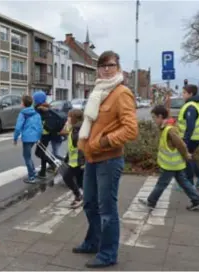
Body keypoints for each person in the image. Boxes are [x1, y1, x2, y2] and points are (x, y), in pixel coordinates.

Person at [74, 51, 138, 268]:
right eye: (102, 66)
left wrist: (104, 142)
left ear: (118, 67)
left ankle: (108, 253)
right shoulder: (98, 91)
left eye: (110, 65)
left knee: (107, 210)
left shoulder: (122, 93)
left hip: (109, 159)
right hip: (92, 158)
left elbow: (131, 130)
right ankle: (93, 242)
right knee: (90, 204)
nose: (106, 69)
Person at [139, 105, 199, 210]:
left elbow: (181, 144)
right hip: (175, 164)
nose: (154, 120)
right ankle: (197, 200)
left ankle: (151, 202)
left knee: (162, 183)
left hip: (171, 164)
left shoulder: (169, 130)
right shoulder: (165, 128)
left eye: (154, 118)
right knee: (183, 182)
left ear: (160, 117)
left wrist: (186, 154)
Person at [177, 84, 199, 190]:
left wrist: (185, 140)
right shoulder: (195, 104)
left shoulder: (191, 107)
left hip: (191, 138)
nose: (182, 95)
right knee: (190, 157)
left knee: (186, 159)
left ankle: (189, 183)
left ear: (190, 94)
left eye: (184, 92)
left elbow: (190, 125)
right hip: (196, 137)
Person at [13, 94, 43, 183]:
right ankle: (33, 172)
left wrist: (15, 138)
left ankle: (32, 177)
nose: (21, 103)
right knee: (28, 156)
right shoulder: (36, 113)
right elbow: (40, 127)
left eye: (21, 102)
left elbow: (18, 127)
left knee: (27, 157)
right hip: (34, 138)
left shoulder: (22, 113)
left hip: (27, 138)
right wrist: (38, 138)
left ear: (24, 103)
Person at [60, 109, 85, 209]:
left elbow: (78, 146)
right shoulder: (75, 128)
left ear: (74, 119)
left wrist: (68, 127)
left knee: (67, 177)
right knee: (80, 181)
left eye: (69, 117)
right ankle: (86, 197)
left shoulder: (77, 130)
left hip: (78, 162)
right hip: (75, 161)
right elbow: (72, 148)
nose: (67, 119)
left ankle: (79, 196)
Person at [33, 91, 57, 179]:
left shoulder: (39, 109)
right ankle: (43, 172)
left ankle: (53, 164)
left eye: (34, 99)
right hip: (48, 133)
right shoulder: (47, 106)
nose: (34, 101)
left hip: (43, 134)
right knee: (42, 152)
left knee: (38, 153)